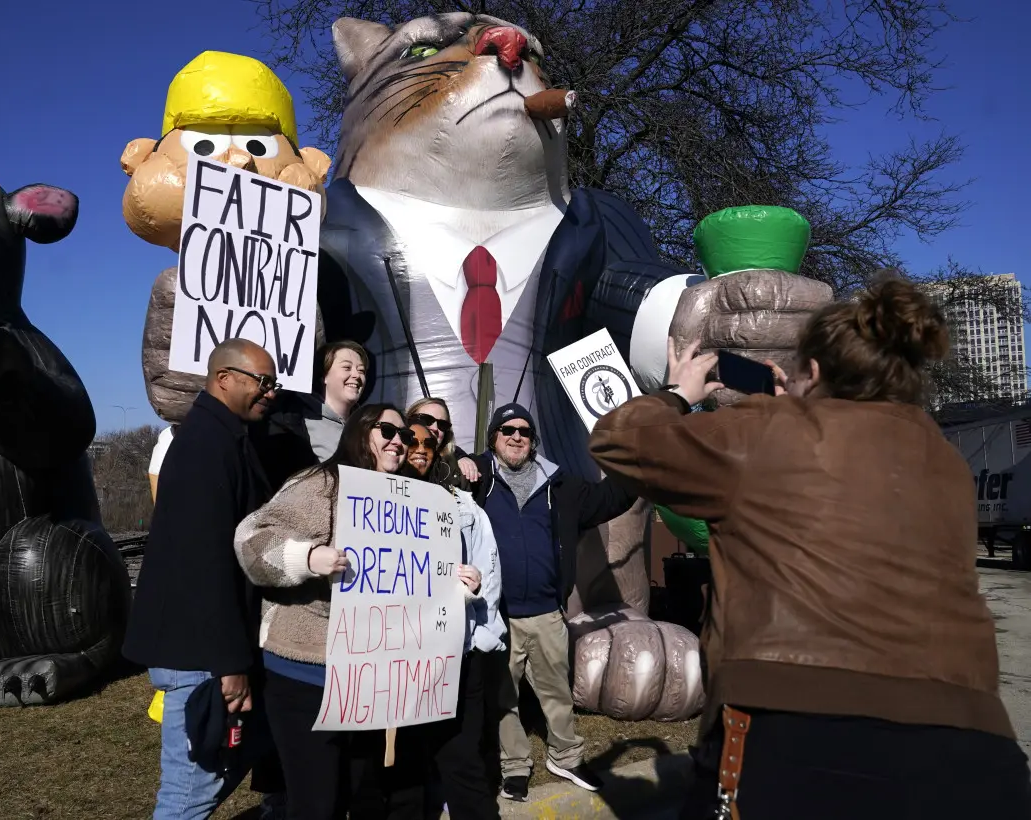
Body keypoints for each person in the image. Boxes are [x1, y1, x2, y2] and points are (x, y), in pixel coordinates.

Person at [588, 276, 1031, 819]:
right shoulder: (941, 458)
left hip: (799, 733)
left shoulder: (764, 431)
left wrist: (679, 392)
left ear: (814, 372)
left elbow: (618, 440)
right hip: (974, 744)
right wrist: (785, 410)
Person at [235, 404, 415, 820]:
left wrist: (452, 583)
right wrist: (307, 557)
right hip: (305, 674)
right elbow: (250, 541)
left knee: (364, 795)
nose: (398, 441)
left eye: (405, 435)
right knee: (317, 805)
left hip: (368, 677)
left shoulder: (407, 501)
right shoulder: (319, 484)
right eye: (386, 430)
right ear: (359, 432)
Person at [123, 338, 279, 820]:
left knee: (215, 773)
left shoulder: (227, 438)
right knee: (189, 794)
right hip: (200, 655)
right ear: (224, 379)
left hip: (207, 651)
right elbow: (203, 564)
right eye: (262, 382)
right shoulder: (203, 448)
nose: (270, 392)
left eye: (273, 383)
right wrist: (228, 663)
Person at [467, 403, 634, 801]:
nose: (516, 436)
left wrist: (636, 464)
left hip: (546, 612)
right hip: (496, 616)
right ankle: (515, 767)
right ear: (493, 437)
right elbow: (437, 470)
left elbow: (611, 498)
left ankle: (566, 756)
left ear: (533, 439)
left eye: (524, 430)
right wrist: (459, 457)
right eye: (506, 429)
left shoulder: (561, 486)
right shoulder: (477, 478)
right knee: (503, 697)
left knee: (556, 690)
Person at [396, 422, 505, 820]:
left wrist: (472, 586)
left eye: (430, 440)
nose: (421, 447)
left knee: (463, 759)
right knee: (403, 769)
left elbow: (487, 567)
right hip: (394, 656)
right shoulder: (367, 494)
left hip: (455, 653)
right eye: (410, 439)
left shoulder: (461, 504)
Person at [252, 341, 369, 490]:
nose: (357, 375)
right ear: (324, 376)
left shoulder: (368, 428)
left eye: (362, 371)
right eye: (347, 367)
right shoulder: (294, 420)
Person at [405, 397, 481, 488]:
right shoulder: (392, 456)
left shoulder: (454, 472)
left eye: (442, 424)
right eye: (426, 420)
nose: (435, 428)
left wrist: (460, 457)